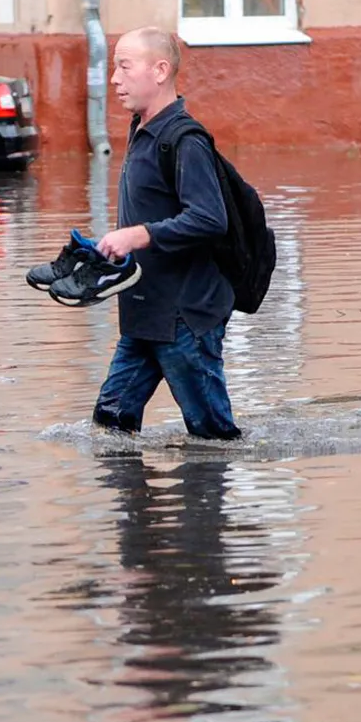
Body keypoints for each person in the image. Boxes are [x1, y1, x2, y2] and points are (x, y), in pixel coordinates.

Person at [89, 26, 240, 441]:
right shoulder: (141, 128)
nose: (114, 79)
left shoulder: (184, 140)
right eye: (114, 67)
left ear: (159, 71)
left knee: (213, 439)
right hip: (144, 312)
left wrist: (136, 236)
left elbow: (210, 218)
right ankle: (130, 488)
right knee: (110, 426)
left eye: (124, 67)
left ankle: (211, 487)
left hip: (184, 318)